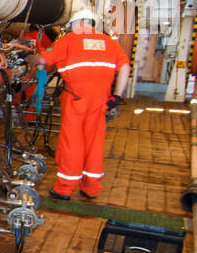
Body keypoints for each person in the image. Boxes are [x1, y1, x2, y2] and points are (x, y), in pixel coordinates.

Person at [28, 11, 130, 201]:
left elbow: (43, 60)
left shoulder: (69, 40)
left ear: (77, 23)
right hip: (101, 101)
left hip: (76, 100)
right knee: (94, 143)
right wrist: (117, 96)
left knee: (72, 143)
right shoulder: (109, 42)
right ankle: (91, 187)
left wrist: (28, 58)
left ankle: (64, 188)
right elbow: (125, 68)